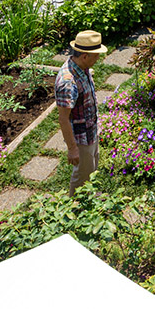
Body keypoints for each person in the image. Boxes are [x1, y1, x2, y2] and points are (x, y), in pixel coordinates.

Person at [56, 29, 108, 192]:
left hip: (90, 131)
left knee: (91, 170)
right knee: (81, 178)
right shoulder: (67, 82)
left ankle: (93, 199)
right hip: (81, 138)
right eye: (96, 55)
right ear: (85, 56)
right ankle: (75, 210)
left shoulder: (82, 68)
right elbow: (63, 119)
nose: (98, 58)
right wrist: (72, 149)